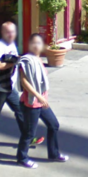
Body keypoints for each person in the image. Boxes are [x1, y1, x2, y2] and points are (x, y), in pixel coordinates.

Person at [0, 21, 43, 154]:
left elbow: (14, 60)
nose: (11, 34)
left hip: (10, 87)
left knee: (21, 111)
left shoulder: (12, 44)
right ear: (2, 33)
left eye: (13, 32)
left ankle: (28, 138)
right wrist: (14, 63)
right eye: (8, 32)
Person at [16, 33, 68, 168]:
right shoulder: (26, 60)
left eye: (38, 43)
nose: (36, 45)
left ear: (43, 46)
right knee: (29, 133)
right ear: (29, 45)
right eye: (33, 42)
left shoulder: (39, 60)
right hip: (31, 103)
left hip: (42, 101)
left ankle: (54, 154)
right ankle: (22, 158)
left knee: (54, 125)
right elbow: (24, 81)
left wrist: (42, 97)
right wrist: (38, 96)